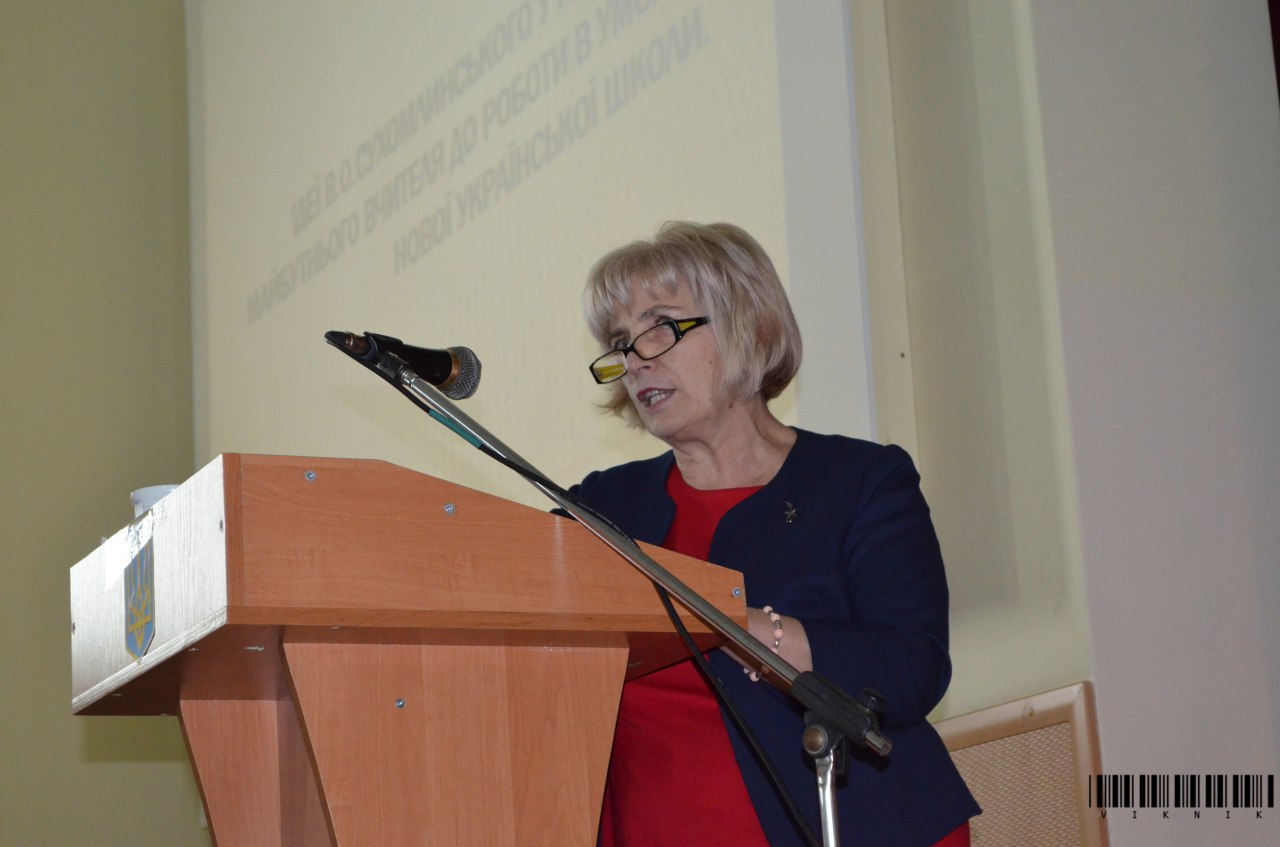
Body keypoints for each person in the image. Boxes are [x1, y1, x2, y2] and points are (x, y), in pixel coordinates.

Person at [571, 222, 979, 846]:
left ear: (746, 326)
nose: (635, 359)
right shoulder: (600, 507)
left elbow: (912, 668)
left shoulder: (858, 481)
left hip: (849, 826)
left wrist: (754, 631)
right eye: (621, 342)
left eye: (660, 327)